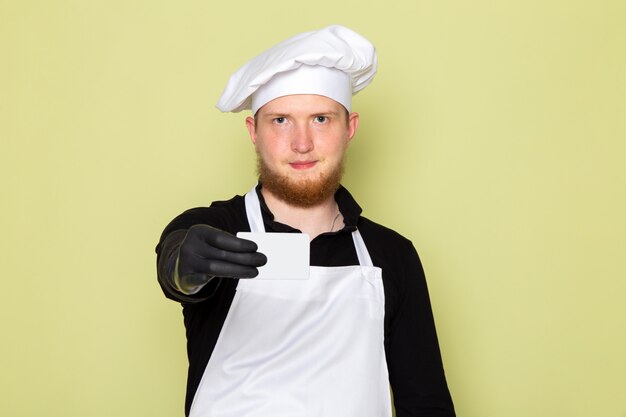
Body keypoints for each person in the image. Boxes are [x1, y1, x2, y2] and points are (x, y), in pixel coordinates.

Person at [156, 25, 455, 417]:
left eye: (320, 119)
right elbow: (175, 268)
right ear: (254, 132)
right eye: (281, 120)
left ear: (349, 129)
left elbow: (426, 403)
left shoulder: (392, 256)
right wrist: (185, 267)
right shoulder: (218, 228)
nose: (301, 143)